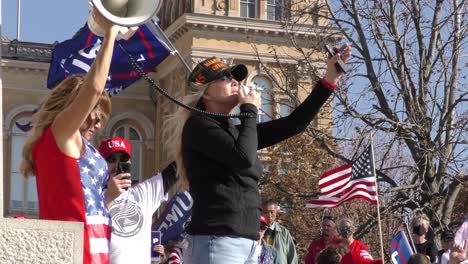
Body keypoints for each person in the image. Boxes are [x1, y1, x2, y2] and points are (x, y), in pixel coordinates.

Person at [163, 45, 351, 263]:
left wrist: (329, 80)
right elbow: (242, 158)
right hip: (217, 242)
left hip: (249, 243)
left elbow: (293, 124)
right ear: (205, 91)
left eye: (235, 76)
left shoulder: (236, 130)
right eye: (224, 77)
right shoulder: (198, 125)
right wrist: (249, 110)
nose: (235, 81)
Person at [20, 9, 118, 264]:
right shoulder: (61, 133)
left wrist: (110, 197)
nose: (97, 123)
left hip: (94, 244)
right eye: (93, 114)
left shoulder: (70, 143)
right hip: (76, 247)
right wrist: (111, 34)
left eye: (101, 118)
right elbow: (95, 88)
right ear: (72, 106)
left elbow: (84, 198)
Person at [98, 136, 178, 264]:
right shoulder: (92, 196)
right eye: (111, 159)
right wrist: (109, 196)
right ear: (100, 163)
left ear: (130, 163)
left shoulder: (142, 193)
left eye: (123, 159)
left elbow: (176, 169)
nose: (117, 165)